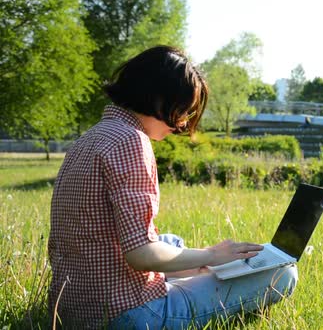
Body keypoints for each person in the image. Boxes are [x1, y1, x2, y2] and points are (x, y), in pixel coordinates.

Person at [48, 46, 298, 329]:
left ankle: (206, 271)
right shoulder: (132, 141)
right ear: (158, 97)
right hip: (128, 316)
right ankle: (212, 272)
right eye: (184, 111)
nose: (182, 124)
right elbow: (140, 254)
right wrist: (212, 255)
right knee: (284, 275)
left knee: (171, 242)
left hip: (71, 308)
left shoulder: (90, 137)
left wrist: (205, 257)